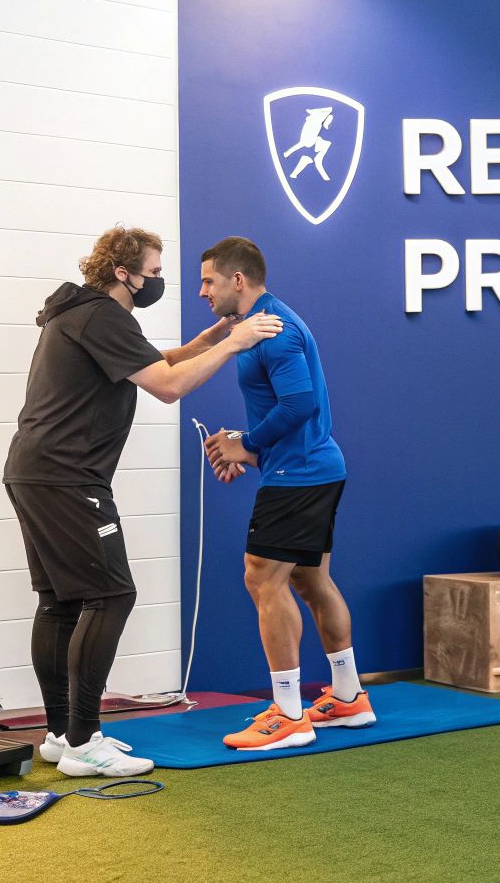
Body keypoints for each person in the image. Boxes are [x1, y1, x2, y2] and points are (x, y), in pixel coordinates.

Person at [4, 227, 282, 777]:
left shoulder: (81, 313)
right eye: (153, 272)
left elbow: (156, 361)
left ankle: (61, 734)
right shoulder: (103, 316)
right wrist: (235, 343)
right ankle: (84, 741)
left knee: (60, 602)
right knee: (112, 595)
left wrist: (210, 338)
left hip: (36, 472)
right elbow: (168, 386)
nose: (159, 280)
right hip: (67, 477)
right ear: (123, 273)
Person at [199, 236, 375, 751]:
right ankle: (349, 697)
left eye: (209, 281)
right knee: (310, 578)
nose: (203, 292)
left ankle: (289, 714)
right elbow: (294, 411)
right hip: (309, 467)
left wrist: (248, 444)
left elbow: (299, 404)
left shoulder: (274, 330)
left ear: (237, 280)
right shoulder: (258, 324)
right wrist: (245, 446)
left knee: (262, 577)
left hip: (298, 474)